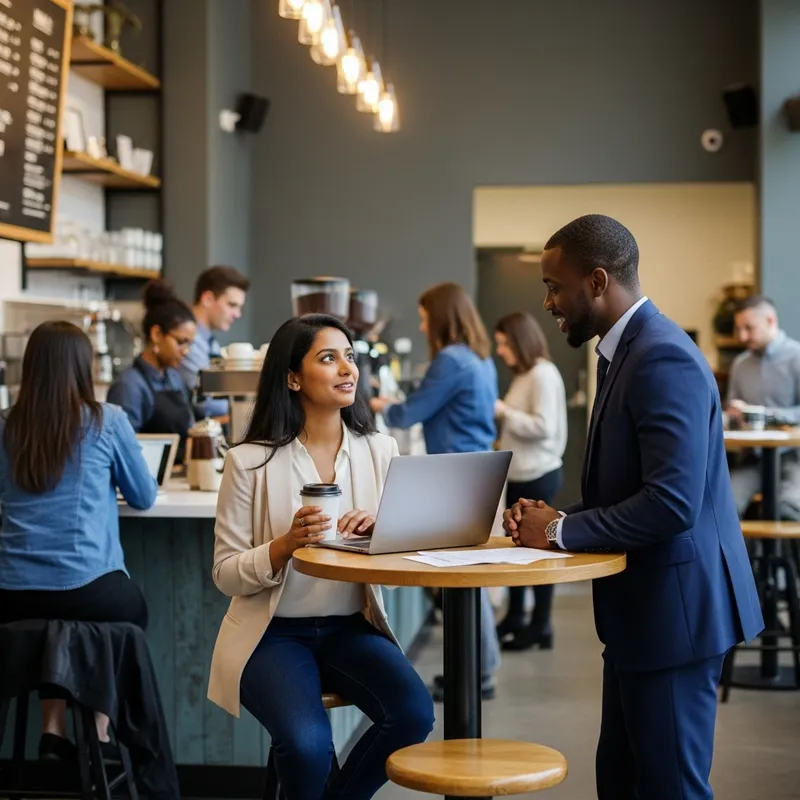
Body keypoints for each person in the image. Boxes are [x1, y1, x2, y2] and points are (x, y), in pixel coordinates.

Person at [503, 215, 763, 800]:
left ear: (597, 282)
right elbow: (628, 488)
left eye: (554, 286)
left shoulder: (662, 356)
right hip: (641, 615)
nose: (548, 303)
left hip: (675, 615)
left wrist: (560, 531)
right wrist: (552, 520)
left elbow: (671, 504)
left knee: (670, 789)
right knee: (621, 783)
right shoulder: (624, 352)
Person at [207, 314, 434, 800]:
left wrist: (384, 532)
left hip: (350, 628)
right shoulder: (248, 461)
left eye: (349, 357)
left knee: (414, 714)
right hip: (272, 635)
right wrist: (284, 546)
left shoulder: (381, 450)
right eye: (328, 358)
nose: (347, 369)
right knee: (307, 747)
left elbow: (402, 566)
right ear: (293, 378)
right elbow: (225, 575)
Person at [0, 321, 157, 761]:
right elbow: (144, 496)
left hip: (11, 594)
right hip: (89, 590)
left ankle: (53, 730)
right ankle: (98, 732)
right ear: (83, 367)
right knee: (127, 613)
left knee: (53, 625)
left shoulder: (5, 426)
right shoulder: (107, 421)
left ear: (31, 367)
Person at [370, 282, 502, 701]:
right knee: (470, 579)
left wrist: (380, 406)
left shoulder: (449, 359)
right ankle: (479, 668)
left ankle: (476, 673)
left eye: (425, 317)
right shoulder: (479, 358)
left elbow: (410, 413)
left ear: (442, 317)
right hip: (477, 471)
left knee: (462, 580)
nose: (423, 325)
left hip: (455, 476)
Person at [493, 312, 567, 651]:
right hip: (521, 473)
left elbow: (543, 427)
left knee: (540, 550)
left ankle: (541, 624)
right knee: (518, 548)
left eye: (504, 344)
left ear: (520, 341)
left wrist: (503, 412)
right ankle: (515, 616)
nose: (500, 351)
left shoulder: (542, 374)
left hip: (539, 474)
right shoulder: (525, 375)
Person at [726, 295, 800, 520]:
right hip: (753, 459)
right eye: (739, 329)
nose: (742, 336)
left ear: (770, 320)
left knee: (789, 509)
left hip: (793, 457)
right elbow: (731, 412)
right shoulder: (740, 365)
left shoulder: (796, 357)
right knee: (724, 507)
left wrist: (765, 415)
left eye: (749, 328)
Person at [108, 280, 196, 462]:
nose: (186, 351)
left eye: (189, 344)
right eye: (181, 342)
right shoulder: (129, 385)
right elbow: (123, 450)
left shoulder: (174, 377)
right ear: (156, 334)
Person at [180, 265, 250, 419]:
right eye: (232, 305)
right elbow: (204, 403)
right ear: (208, 299)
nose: (237, 314)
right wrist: (248, 406)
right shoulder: (188, 341)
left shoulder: (210, 342)